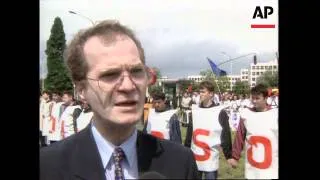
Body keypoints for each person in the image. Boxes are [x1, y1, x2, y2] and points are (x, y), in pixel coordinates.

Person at [40, 20, 199, 180]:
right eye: (110, 75)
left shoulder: (180, 162)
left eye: (136, 71)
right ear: (82, 90)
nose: (128, 86)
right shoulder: (48, 166)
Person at [227, 84, 278, 179]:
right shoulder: (246, 114)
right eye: (252, 98)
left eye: (257, 98)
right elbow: (240, 137)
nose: (254, 101)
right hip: (252, 165)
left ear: (266, 98)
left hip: (272, 165)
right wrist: (235, 157)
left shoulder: (275, 114)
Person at [184, 81, 233, 180]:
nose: (200, 94)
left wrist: (228, 155)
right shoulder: (195, 110)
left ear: (211, 94)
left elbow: (225, 134)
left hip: (211, 157)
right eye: (199, 92)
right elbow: (190, 133)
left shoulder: (220, 112)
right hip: (195, 155)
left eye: (203, 92)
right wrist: (186, 150)